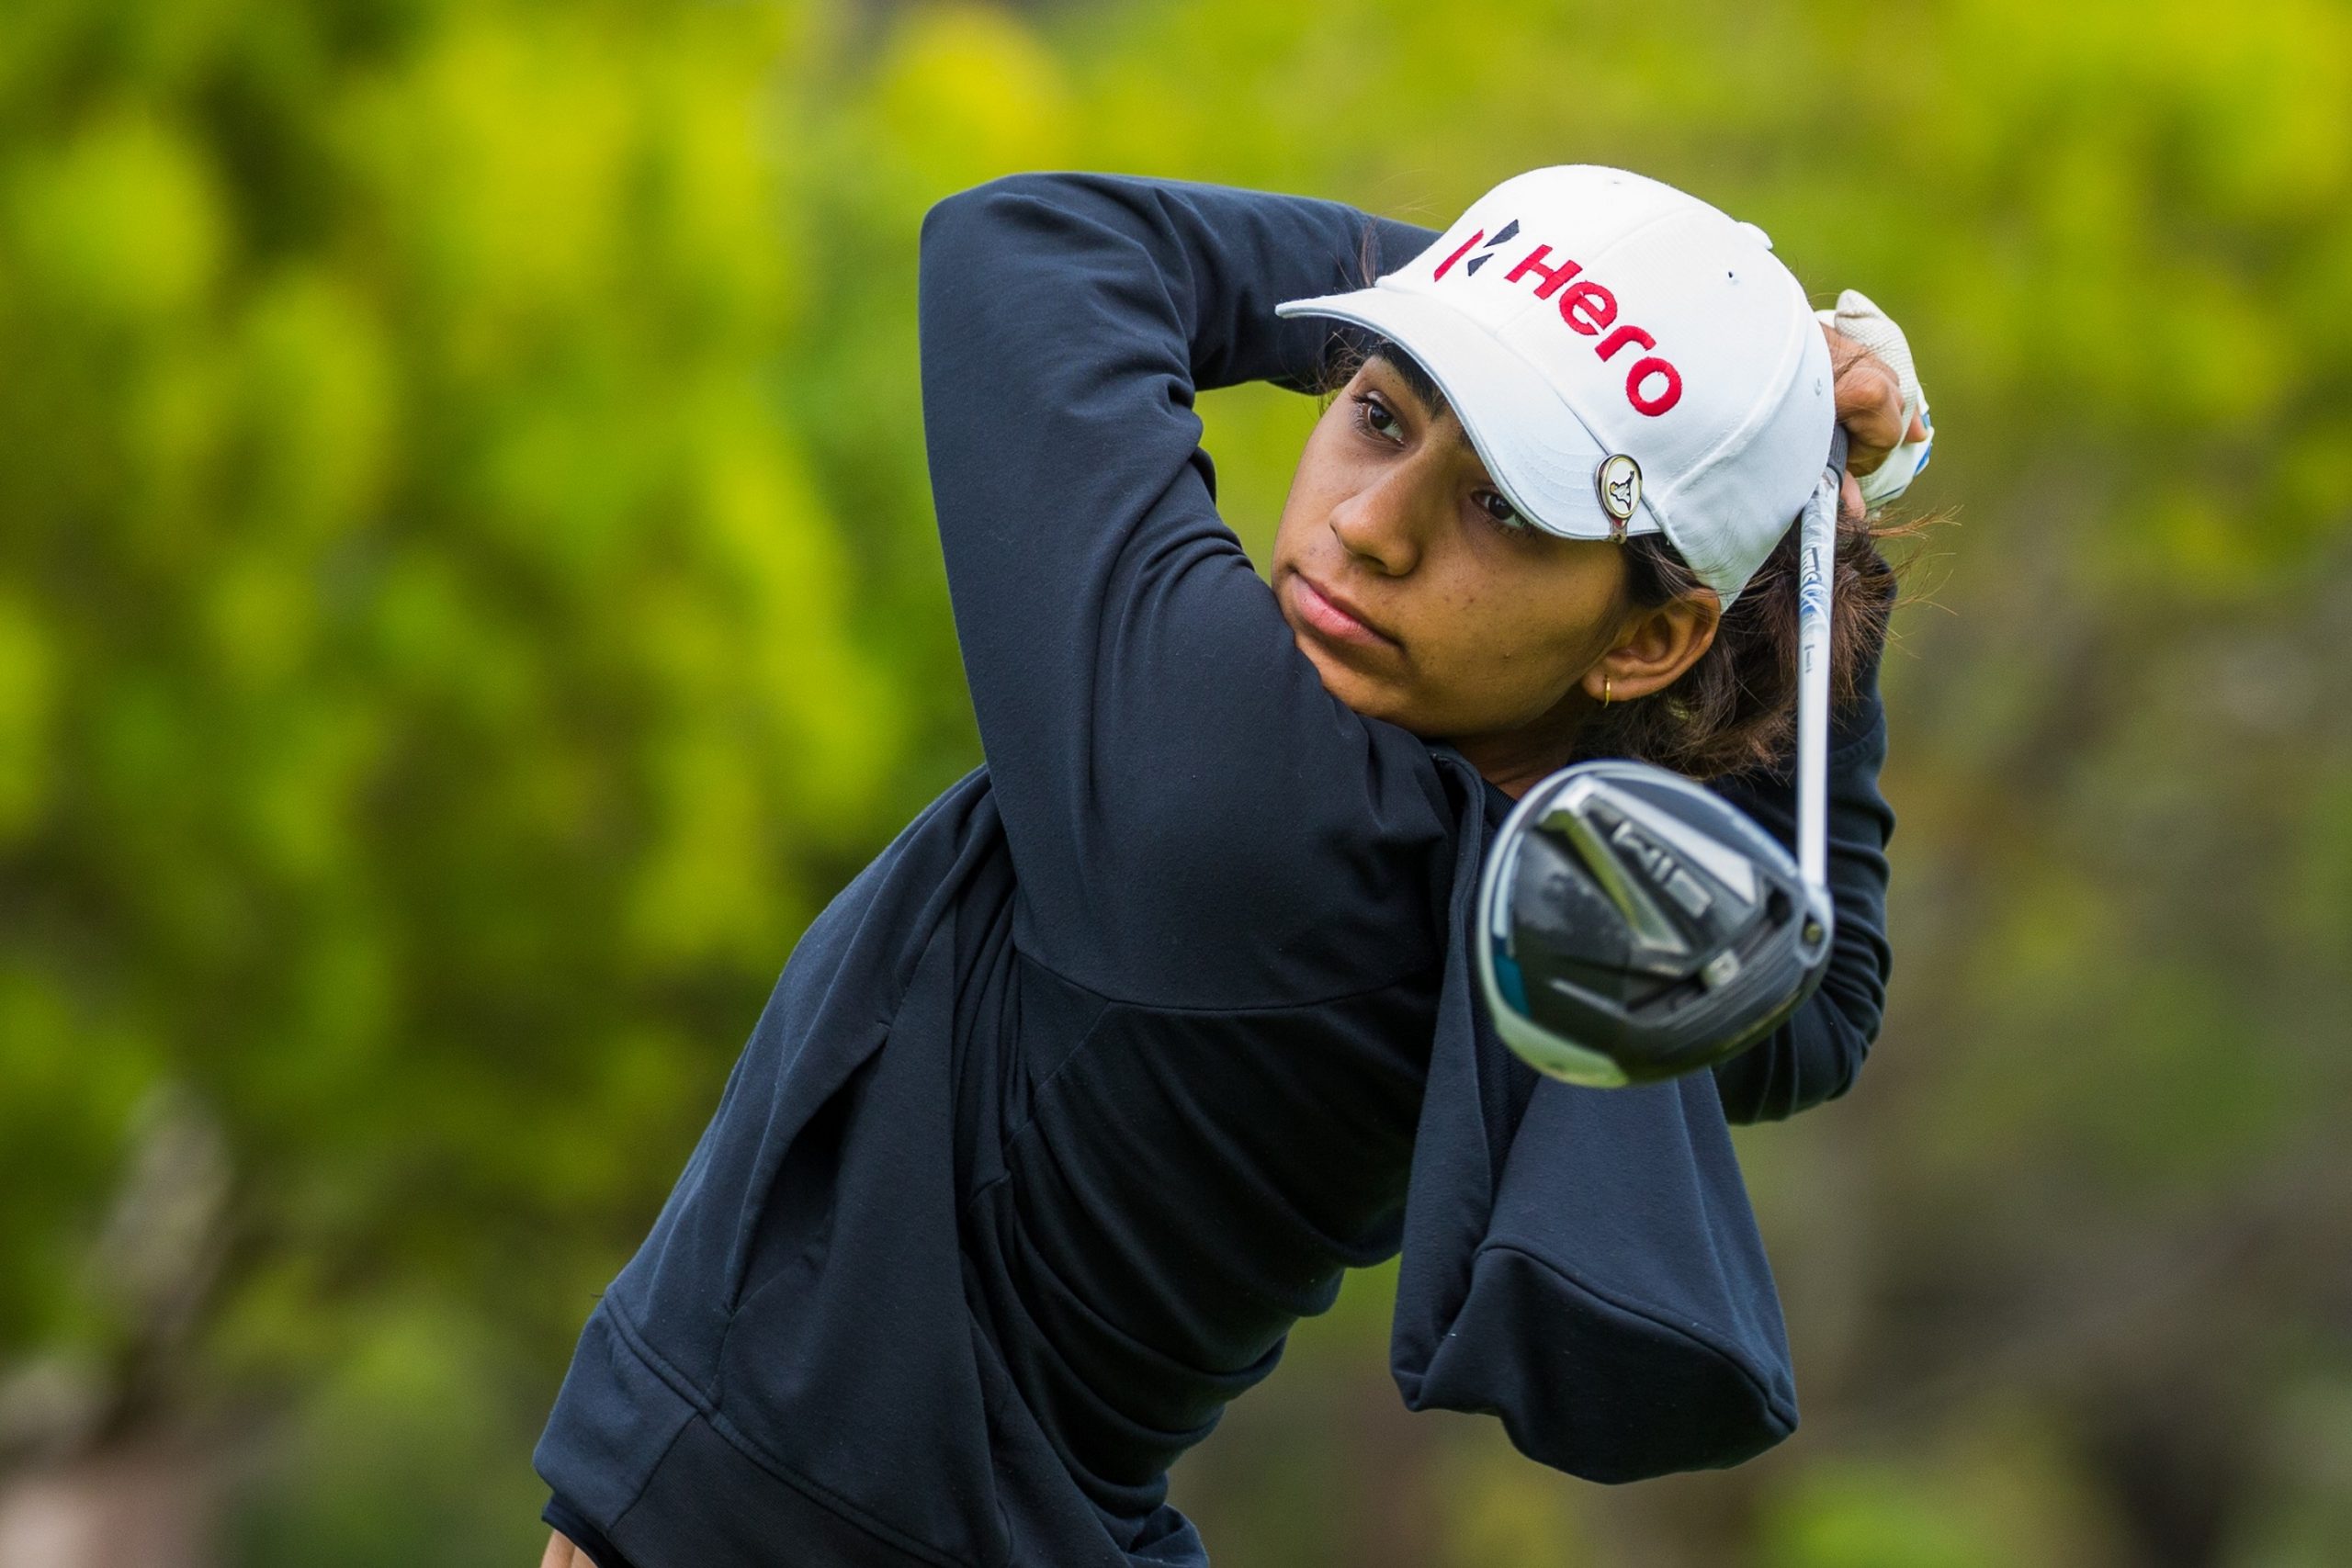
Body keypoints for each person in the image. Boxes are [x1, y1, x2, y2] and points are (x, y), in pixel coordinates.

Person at [533, 165, 1931, 1568]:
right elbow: (1821, 1004)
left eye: (1505, 507)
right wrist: (1771, 469)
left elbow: (1037, 246)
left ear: (1647, 642)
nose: (1371, 525)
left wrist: (1530, 293)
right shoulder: (1546, 897)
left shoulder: (1239, 789)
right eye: (1380, 413)